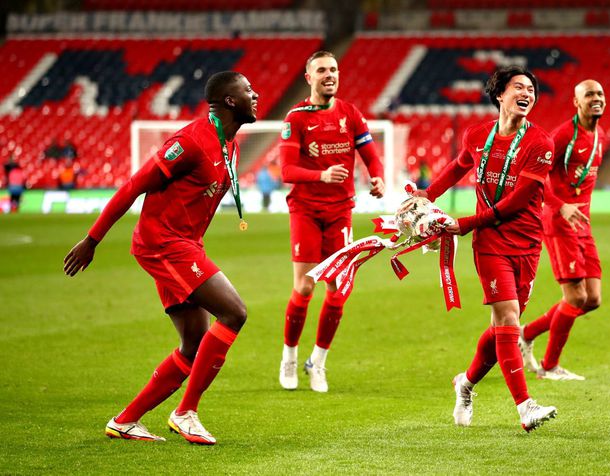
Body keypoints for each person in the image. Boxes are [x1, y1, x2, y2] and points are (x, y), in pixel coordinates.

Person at [63, 71, 259, 445]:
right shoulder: (191, 141)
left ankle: (124, 421)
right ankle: (186, 413)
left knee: (196, 342)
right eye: (248, 90)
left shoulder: (228, 144)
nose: (256, 94)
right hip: (164, 245)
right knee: (234, 312)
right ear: (230, 101)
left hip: (185, 244)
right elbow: (134, 185)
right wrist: (92, 239)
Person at [414, 66, 557, 431]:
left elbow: (514, 203)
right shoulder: (477, 135)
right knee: (509, 319)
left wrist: (462, 224)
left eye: (531, 89)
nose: (527, 93)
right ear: (499, 95)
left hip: (526, 243)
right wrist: (425, 196)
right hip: (491, 244)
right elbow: (457, 167)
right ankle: (525, 407)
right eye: (519, 87)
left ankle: (465, 382)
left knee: (500, 330)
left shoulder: (539, 144)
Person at [278, 51, 385, 393]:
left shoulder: (350, 114)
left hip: (341, 211)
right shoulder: (295, 118)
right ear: (308, 77)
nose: (330, 75)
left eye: (334, 69)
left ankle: (318, 362)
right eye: (322, 70)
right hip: (306, 210)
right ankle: (290, 356)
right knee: (305, 286)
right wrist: (322, 174)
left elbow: (371, 156)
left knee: (339, 290)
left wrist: (378, 178)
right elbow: (286, 171)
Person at [518, 79, 605, 381]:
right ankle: (549, 366)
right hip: (559, 223)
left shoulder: (598, 135)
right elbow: (534, 177)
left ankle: (526, 333)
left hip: (584, 226)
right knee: (575, 297)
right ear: (576, 102)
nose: (596, 98)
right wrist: (561, 206)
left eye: (600, 94)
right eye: (589, 94)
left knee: (592, 299)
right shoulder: (563, 135)